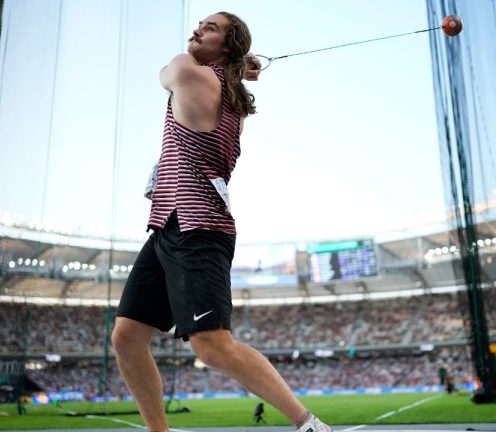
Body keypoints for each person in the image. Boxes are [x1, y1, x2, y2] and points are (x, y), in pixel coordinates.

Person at [111, 12, 332, 432]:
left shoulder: (187, 72)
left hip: (199, 230)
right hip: (167, 225)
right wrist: (238, 63)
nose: (196, 30)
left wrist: (238, 63)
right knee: (126, 338)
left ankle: (308, 425)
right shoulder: (229, 92)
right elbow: (232, 77)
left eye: (209, 28)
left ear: (227, 47)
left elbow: (165, 73)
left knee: (212, 346)